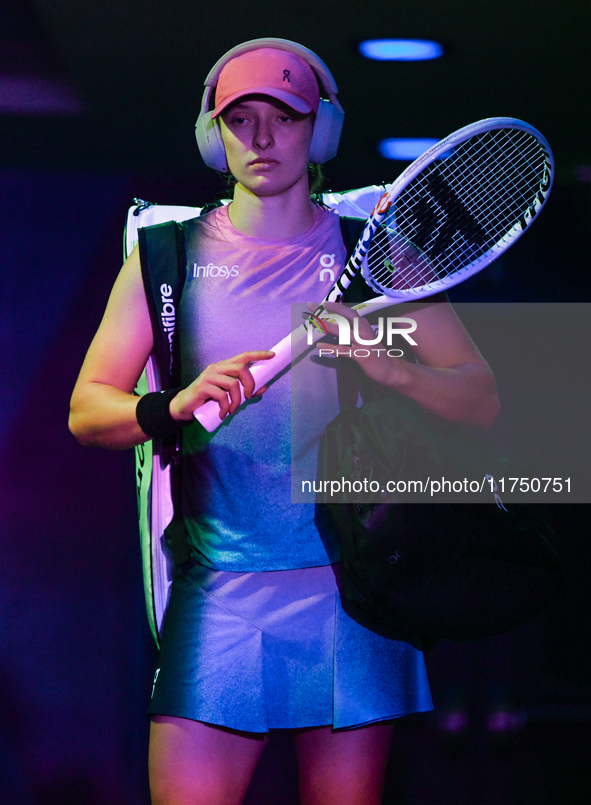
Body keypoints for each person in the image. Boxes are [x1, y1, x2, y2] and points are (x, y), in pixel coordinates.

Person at [69, 38, 499, 805]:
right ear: (214, 133)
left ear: (320, 129)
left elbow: (478, 397)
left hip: (352, 593)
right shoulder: (163, 258)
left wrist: (382, 359)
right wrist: (168, 404)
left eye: (284, 116)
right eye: (240, 119)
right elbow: (87, 410)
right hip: (219, 589)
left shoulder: (374, 253)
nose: (260, 137)